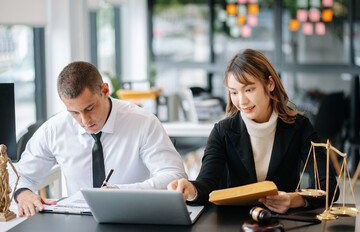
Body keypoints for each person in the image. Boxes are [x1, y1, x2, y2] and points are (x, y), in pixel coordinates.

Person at [168, 49, 339, 214]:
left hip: (281, 221)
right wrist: (191, 189)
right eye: (234, 92)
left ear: (270, 84)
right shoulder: (222, 132)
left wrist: (296, 199)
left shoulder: (299, 128)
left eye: (249, 89)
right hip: (231, 223)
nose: (242, 101)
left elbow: (329, 187)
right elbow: (207, 184)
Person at [11, 61, 187, 217]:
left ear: (104, 90)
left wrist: (120, 192)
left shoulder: (143, 123)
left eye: (90, 108)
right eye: (74, 113)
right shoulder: (55, 129)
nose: (84, 121)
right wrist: (23, 193)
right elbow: (19, 174)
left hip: (133, 216)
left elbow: (174, 176)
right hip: (77, 220)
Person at [0, 144, 19, 215]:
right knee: (0, 191)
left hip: (5, 174)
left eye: (2, 150)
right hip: (0, 175)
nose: (1, 151)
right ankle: (1, 207)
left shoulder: (7, 158)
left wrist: (17, 175)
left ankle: (6, 207)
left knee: (5, 190)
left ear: (4, 150)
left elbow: (13, 167)